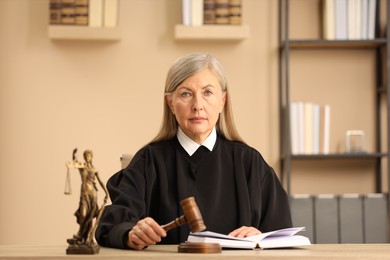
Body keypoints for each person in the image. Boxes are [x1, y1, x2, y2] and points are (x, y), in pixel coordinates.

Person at [95, 53, 292, 250]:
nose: (198, 106)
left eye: (207, 93)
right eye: (186, 94)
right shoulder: (149, 161)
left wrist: (261, 238)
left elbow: (282, 232)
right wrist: (131, 233)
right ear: (170, 103)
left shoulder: (250, 163)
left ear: (223, 100)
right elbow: (114, 223)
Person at [66, 149, 108, 246]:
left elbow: (100, 181)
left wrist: (106, 192)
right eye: (85, 156)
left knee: (90, 216)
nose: (86, 157)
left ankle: (86, 238)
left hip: (93, 194)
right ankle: (81, 235)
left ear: (91, 157)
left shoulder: (94, 169)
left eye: (88, 156)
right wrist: (74, 155)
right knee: (83, 215)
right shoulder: (82, 167)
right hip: (84, 194)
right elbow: (74, 162)